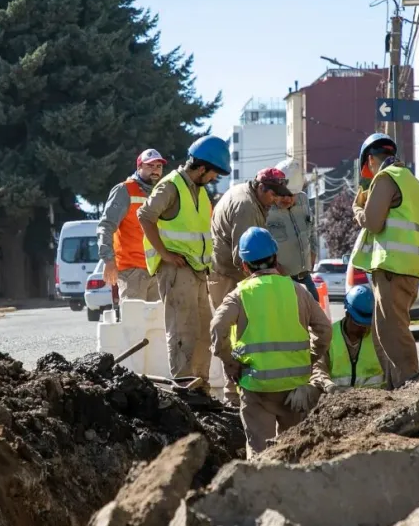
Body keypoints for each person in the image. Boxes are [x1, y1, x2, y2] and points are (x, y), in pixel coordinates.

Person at [210, 227, 332, 458]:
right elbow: (324, 330)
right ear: (275, 258)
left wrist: (230, 362)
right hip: (295, 386)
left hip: (257, 387)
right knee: (295, 451)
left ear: (245, 266)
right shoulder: (298, 290)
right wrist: (308, 358)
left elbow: (217, 328)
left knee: (260, 453)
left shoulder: (240, 295)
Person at [138, 135, 228, 389]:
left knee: (201, 334)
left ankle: (199, 387)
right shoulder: (171, 186)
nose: (214, 179)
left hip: (197, 271)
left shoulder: (197, 191)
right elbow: (145, 217)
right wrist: (164, 254)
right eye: (213, 174)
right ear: (201, 168)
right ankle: (185, 389)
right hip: (177, 270)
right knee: (182, 333)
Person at [351, 132, 419, 390]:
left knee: (393, 334)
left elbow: (373, 222)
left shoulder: (386, 179)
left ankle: (410, 387)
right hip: (409, 267)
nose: (371, 172)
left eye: (369, 166)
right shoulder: (412, 182)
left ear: (371, 160)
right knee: (384, 332)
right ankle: (394, 388)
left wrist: (358, 210)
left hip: (392, 268)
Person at [209, 167, 292, 404]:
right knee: (238, 332)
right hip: (228, 274)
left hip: (231, 271)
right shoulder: (246, 207)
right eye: (273, 194)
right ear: (260, 187)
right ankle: (234, 395)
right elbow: (245, 257)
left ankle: (241, 391)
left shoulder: (252, 198)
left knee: (242, 331)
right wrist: (272, 278)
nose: (276, 199)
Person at [96, 149, 166, 301]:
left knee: (157, 324)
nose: (155, 170)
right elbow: (106, 226)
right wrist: (108, 260)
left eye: (158, 166)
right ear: (139, 167)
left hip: (157, 270)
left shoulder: (161, 194)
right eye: (150, 166)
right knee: (134, 322)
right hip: (132, 271)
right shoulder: (124, 190)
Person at [311, 284, 385, 392]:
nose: (364, 329)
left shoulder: (378, 337)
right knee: (306, 391)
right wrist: (328, 385)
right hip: (337, 399)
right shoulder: (329, 336)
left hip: (377, 401)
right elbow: (317, 367)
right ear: (347, 314)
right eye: (359, 324)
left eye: (368, 325)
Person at [267, 158, 319, 302]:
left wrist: (314, 252)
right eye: (283, 194)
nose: (287, 199)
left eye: (292, 195)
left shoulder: (304, 200)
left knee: (316, 316)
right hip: (279, 280)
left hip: (304, 277)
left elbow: (312, 229)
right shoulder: (265, 208)